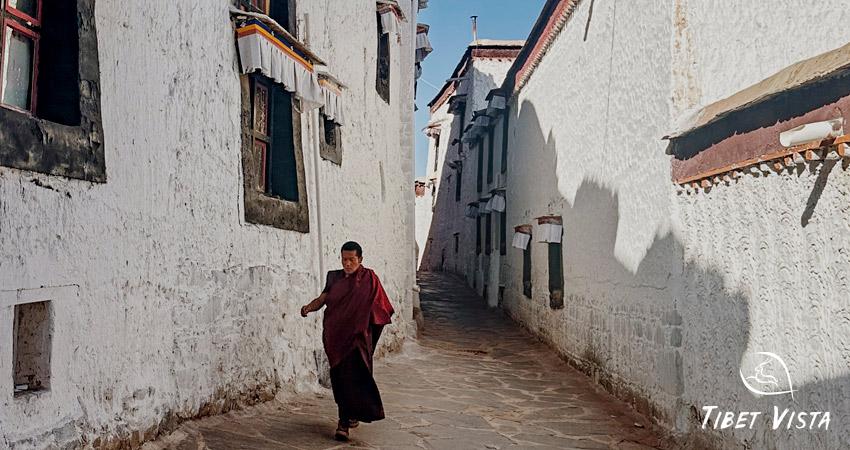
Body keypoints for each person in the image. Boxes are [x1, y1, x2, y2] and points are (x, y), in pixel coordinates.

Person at [300, 241, 395, 441]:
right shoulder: (334, 278)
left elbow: (382, 308)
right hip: (336, 338)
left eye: (352, 260)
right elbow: (323, 298)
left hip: (357, 342)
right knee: (340, 380)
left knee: (354, 379)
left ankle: (345, 421)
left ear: (360, 259)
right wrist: (309, 306)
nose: (348, 264)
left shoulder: (370, 278)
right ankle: (346, 417)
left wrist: (368, 333)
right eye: (344, 260)